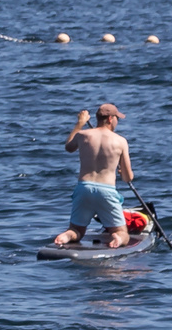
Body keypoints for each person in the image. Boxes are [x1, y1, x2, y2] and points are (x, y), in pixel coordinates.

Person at [54, 104, 136, 249]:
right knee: (122, 232)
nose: (117, 121)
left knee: (76, 230)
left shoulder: (82, 135)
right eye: (117, 118)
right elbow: (128, 178)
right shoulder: (120, 141)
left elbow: (69, 147)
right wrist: (121, 172)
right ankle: (117, 237)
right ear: (110, 119)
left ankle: (67, 235)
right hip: (107, 190)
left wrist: (80, 124)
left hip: (84, 188)